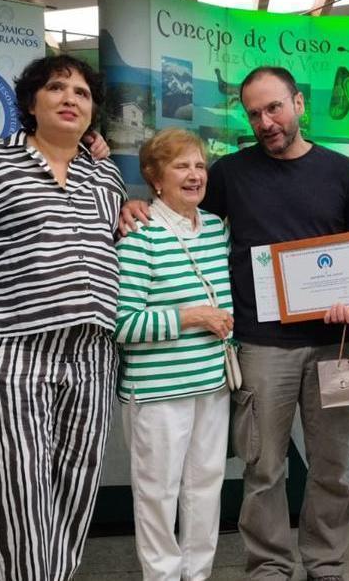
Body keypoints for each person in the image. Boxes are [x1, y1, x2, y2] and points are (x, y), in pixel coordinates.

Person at [121, 65, 349, 580]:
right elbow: (180, 212)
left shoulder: (343, 172)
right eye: (254, 113)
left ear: (299, 103)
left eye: (274, 107)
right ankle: (270, 565)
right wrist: (135, 204)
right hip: (259, 345)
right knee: (262, 468)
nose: (266, 121)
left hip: (336, 343)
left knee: (333, 467)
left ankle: (325, 562)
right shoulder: (230, 173)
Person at [0, 54, 124, 581]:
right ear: (31, 103)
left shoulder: (105, 177)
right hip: (12, 346)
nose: (70, 98)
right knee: (19, 483)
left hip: (92, 351)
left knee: (77, 481)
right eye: (57, 88)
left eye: (82, 92)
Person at [115, 128, 233, 580]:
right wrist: (190, 317)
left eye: (200, 166)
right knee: (158, 494)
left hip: (212, 384)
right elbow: (121, 324)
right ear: (154, 177)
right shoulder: (140, 236)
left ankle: (197, 573)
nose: (194, 175)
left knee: (205, 488)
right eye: (181, 166)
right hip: (157, 392)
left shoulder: (217, 231)